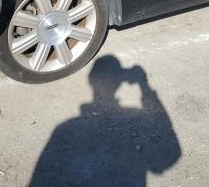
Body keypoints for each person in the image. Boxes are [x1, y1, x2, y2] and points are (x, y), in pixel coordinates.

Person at [29, 55, 181, 187]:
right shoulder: (134, 115)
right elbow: (166, 159)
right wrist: (144, 85)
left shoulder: (64, 128)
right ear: (120, 82)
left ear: (90, 81)